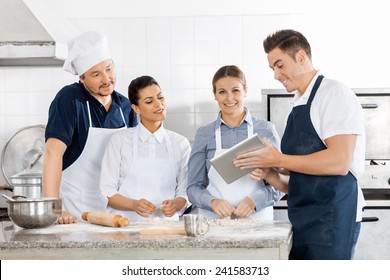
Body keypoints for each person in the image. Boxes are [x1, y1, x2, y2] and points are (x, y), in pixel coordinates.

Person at [234, 29, 365, 259]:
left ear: (301, 57)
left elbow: (340, 162)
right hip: (304, 221)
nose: (276, 75)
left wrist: (279, 159)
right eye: (272, 68)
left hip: (333, 219)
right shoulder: (297, 105)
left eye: (279, 65)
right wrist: (271, 174)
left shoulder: (334, 94)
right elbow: (303, 180)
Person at [43, 31, 137, 224]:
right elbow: (53, 153)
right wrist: (54, 208)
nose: (106, 79)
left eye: (109, 69)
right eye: (96, 74)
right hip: (76, 211)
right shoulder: (69, 100)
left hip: (119, 212)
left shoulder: (125, 106)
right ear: (82, 78)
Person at [187, 65, 283, 220]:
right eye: (222, 92)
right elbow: (193, 187)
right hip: (214, 222)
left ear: (245, 91)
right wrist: (212, 202)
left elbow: (281, 182)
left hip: (257, 220)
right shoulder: (204, 134)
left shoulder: (265, 130)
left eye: (235, 90)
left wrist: (255, 201)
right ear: (215, 95)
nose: (229, 98)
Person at [99, 75, 191, 221]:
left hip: (166, 229)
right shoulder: (120, 140)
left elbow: (185, 191)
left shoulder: (180, 143)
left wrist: (175, 204)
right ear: (136, 108)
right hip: (124, 227)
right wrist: (134, 205)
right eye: (149, 101)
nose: (158, 104)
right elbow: (107, 191)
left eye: (160, 97)